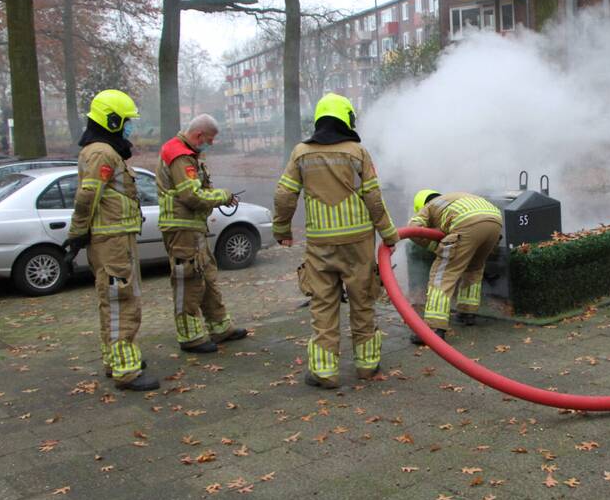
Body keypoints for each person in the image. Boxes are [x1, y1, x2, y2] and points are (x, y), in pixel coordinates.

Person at [273, 94, 399, 389]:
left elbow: (283, 194)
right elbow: (374, 199)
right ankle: (367, 367)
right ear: (347, 119)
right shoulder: (358, 152)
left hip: (320, 246)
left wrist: (282, 229)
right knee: (363, 302)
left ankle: (324, 372)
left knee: (323, 305)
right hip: (358, 244)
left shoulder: (301, 153)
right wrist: (389, 234)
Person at [64, 90, 159, 391]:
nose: (130, 126)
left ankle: (116, 359)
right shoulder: (102, 153)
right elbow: (88, 196)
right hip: (112, 239)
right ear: (113, 119)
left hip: (115, 237)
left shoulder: (105, 150)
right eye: (127, 121)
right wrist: (77, 233)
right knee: (122, 301)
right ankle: (126, 369)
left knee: (116, 299)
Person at [156, 114, 248, 353]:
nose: (211, 144)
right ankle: (189, 336)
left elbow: (197, 190)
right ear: (198, 135)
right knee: (187, 280)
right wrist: (222, 196)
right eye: (210, 139)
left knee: (206, 276)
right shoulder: (180, 156)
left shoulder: (188, 154)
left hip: (192, 228)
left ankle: (220, 327)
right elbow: (192, 196)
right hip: (182, 229)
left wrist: (217, 197)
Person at [407, 190, 502, 344]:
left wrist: (436, 247)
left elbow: (413, 230)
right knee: (474, 268)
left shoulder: (428, 207)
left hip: (468, 224)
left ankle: (433, 329)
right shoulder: (451, 199)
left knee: (443, 275)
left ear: (420, 204)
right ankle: (467, 313)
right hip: (495, 222)